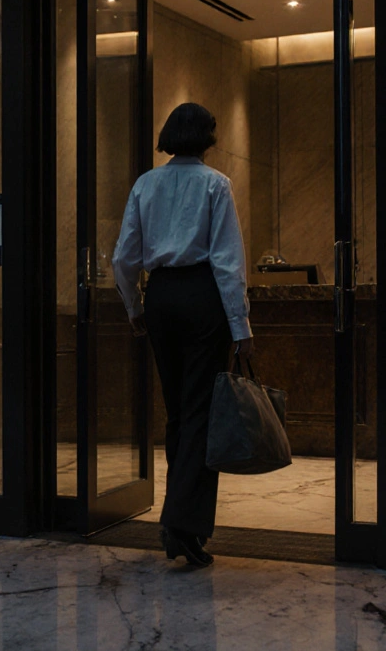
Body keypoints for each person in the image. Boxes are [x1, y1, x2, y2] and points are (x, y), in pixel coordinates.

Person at [112, 102, 253, 568]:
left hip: (161, 299)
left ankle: (180, 522)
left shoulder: (145, 184)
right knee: (200, 414)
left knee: (177, 412)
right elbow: (227, 262)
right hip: (201, 298)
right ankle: (183, 526)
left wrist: (135, 307)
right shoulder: (216, 184)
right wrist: (241, 326)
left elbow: (122, 259)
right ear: (207, 137)